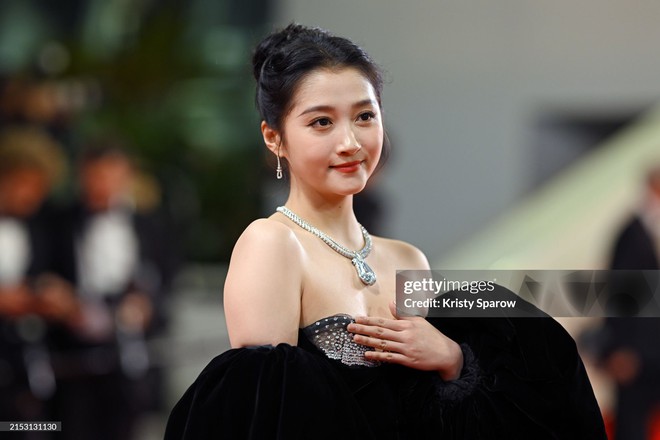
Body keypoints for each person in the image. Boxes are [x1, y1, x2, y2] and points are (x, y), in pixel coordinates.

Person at [165, 24, 606, 439]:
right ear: (274, 138)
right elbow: (265, 420)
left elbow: (435, 420)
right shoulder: (272, 244)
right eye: (322, 122)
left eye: (364, 116)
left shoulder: (407, 260)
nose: (350, 142)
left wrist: (452, 360)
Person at [593, 166, 660, 439]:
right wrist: (621, 349)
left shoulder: (645, 233)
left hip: (650, 355)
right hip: (634, 356)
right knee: (631, 426)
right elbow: (619, 298)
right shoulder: (631, 235)